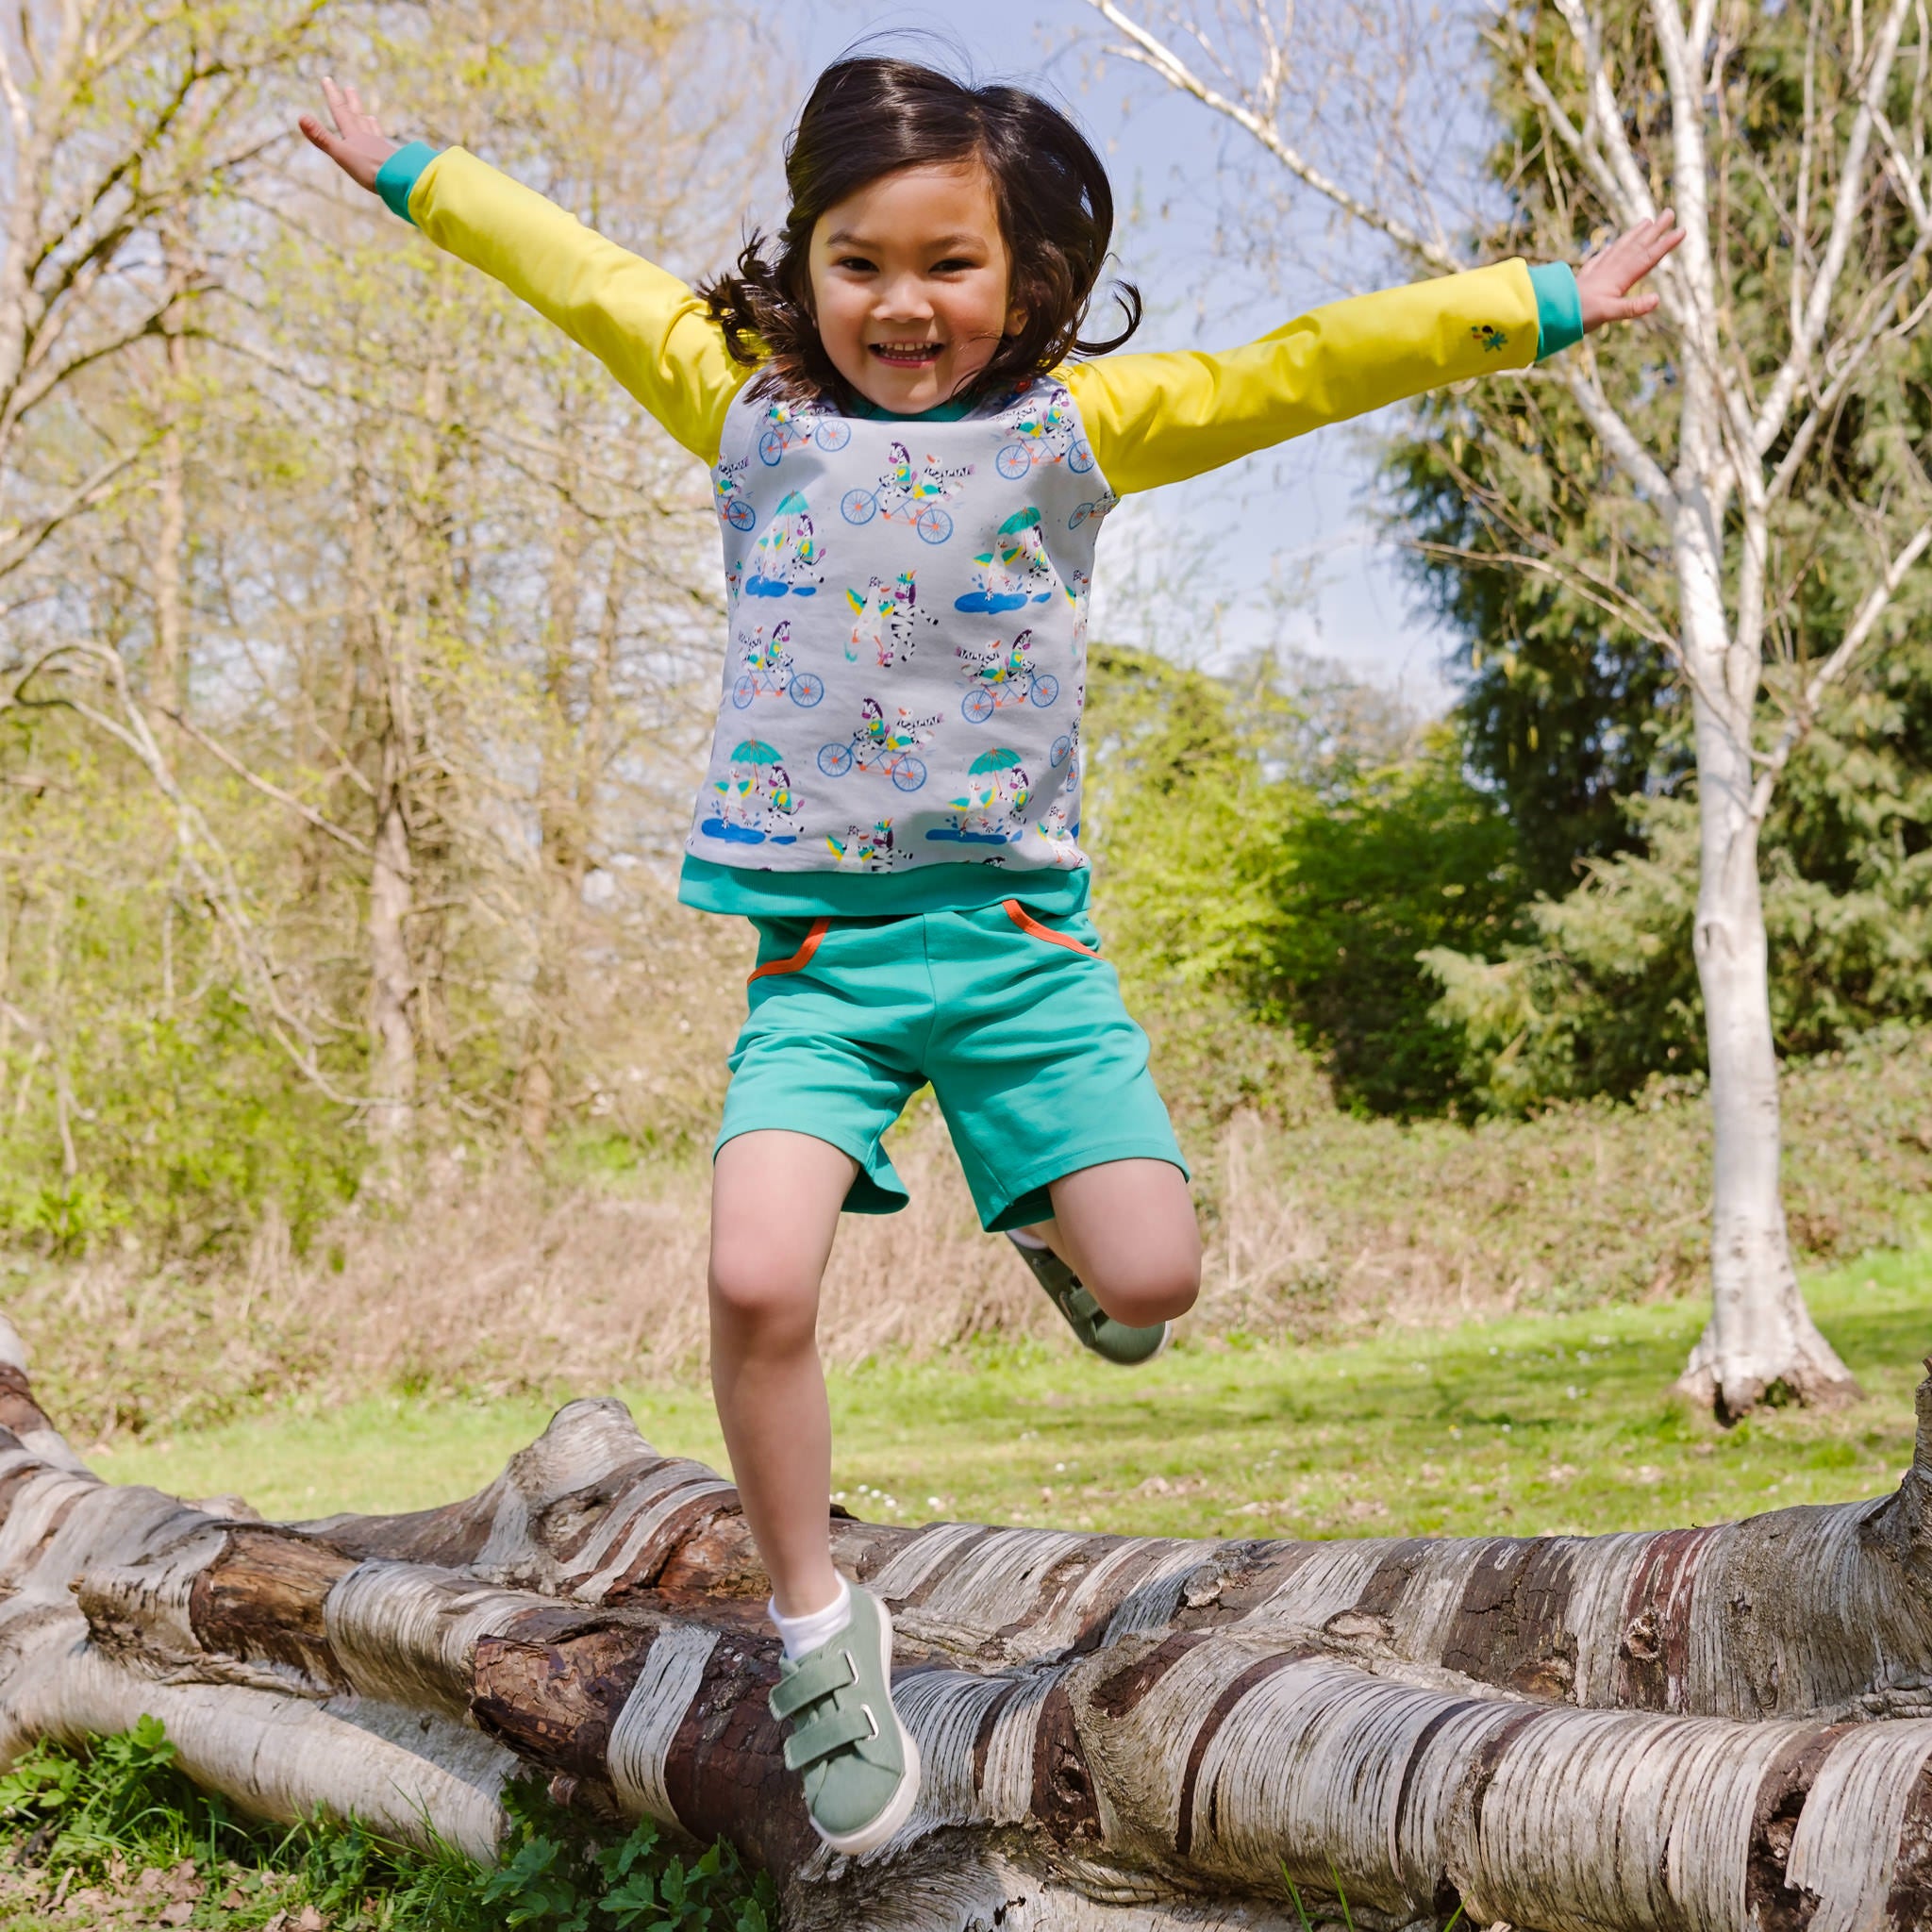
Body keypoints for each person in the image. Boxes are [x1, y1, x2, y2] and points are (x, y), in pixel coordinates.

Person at [300, 57, 1680, 1857]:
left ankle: (1054, 1223)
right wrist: (410, 166)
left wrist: (1542, 302)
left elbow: (1311, 360)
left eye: (948, 265)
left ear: (1025, 277)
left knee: (1158, 1284)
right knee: (754, 1276)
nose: (901, 305)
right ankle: (818, 1629)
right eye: (855, 260)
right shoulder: (744, 406)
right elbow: (576, 271)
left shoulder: (1080, 431)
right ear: (801, 260)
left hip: (1026, 959)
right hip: (824, 974)